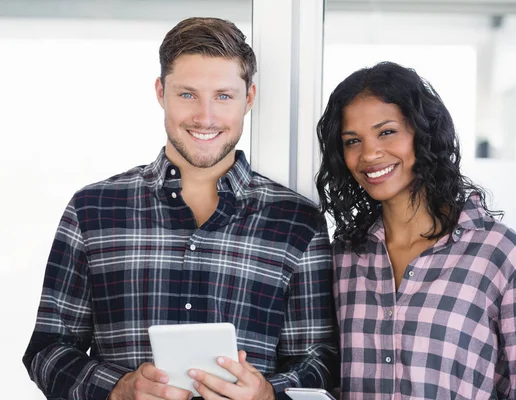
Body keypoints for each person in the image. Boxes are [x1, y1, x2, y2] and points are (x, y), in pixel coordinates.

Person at [23, 17, 338, 400]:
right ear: (161, 92)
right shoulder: (92, 211)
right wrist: (119, 389)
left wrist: (268, 394)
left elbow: (321, 359)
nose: (205, 117)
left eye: (224, 96)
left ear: (249, 97)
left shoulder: (297, 222)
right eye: (187, 94)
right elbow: (47, 350)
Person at [315, 62, 516, 399]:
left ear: (423, 133)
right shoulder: (343, 256)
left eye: (386, 132)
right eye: (352, 141)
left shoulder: (501, 254)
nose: (369, 153)